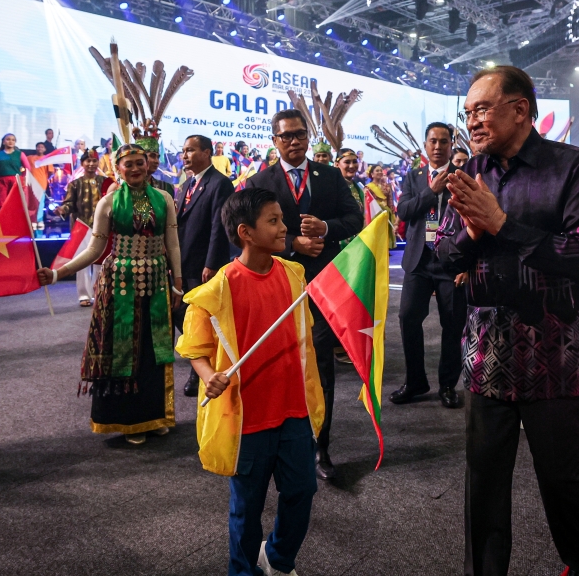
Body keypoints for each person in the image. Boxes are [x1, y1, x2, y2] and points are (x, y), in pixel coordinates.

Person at [440, 65, 579, 576]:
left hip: (556, 353)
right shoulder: (471, 172)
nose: (472, 121)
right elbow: (444, 257)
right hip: (487, 353)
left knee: (562, 478)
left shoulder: (573, 166)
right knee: (484, 480)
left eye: (482, 109)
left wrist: (503, 225)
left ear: (520, 109)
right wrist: (471, 235)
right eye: (467, 112)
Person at [176, 187, 324, 576]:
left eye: (281, 218)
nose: (283, 227)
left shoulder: (294, 274)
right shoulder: (216, 290)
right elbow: (194, 348)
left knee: (302, 491)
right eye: (273, 221)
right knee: (247, 508)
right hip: (248, 420)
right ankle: (243, 571)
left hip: (293, 410)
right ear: (245, 231)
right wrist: (209, 376)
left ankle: (276, 557)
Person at [37, 144, 182, 444]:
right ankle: (130, 421)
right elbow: (93, 250)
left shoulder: (162, 198)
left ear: (148, 164)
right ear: (117, 168)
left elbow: (173, 244)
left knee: (153, 351)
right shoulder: (109, 202)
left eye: (140, 162)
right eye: (128, 164)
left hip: (156, 284)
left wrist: (177, 283)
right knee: (125, 351)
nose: (135, 168)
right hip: (120, 286)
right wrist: (57, 274)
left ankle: (153, 416)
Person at [247, 110, 362, 481]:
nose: (293, 142)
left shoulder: (328, 175)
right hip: (277, 285)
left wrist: (327, 228)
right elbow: (249, 231)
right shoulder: (260, 181)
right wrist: (292, 243)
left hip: (324, 286)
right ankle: (276, 441)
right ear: (274, 140)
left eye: (299, 135)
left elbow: (354, 218)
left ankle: (320, 446)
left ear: (308, 137)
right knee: (277, 362)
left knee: (320, 364)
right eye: (286, 137)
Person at [391, 123, 466, 409]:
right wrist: (430, 191)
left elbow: (470, 218)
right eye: (433, 141)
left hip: (451, 261)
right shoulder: (414, 177)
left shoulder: (462, 176)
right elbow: (404, 211)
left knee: (453, 323)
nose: (438, 146)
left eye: (443, 141)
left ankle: (448, 384)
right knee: (408, 317)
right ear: (425, 145)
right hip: (418, 260)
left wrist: (467, 261)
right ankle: (415, 382)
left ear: (451, 145)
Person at [173, 135, 235, 397]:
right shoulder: (187, 183)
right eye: (184, 151)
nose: (185, 156)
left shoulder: (220, 183)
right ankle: (198, 359)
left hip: (204, 265)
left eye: (191, 150)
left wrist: (212, 262)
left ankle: (198, 370)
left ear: (207, 152)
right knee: (182, 315)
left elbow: (217, 227)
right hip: (184, 262)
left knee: (202, 317)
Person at [56, 152, 111, 307]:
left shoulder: (105, 182)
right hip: (82, 227)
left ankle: (98, 293)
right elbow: (69, 204)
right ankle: (84, 295)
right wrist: (62, 209)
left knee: (100, 262)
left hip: (102, 227)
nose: (91, 164)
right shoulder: (75, 184)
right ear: (82, 163)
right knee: (82, 263)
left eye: (94, 161)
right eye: (88, 161)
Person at [0, 133, 32, 209]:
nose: (11, 141)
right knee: (2, 204)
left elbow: (28, 168)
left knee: (15, 203)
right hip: (1, 181)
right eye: (8, 139)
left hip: (16, 181)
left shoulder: (20, 154)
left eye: (13, 140)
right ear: (4, 142)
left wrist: (22, 177)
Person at [365, 165, 397, 249]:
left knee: (385, 232)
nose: (379, 172)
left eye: (380, 170)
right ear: (372, 174)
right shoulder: (368, 187)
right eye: (377, 171)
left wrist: (392, 213)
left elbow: (390, 200)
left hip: (386, 212)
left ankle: (385, 248)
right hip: (375, 213)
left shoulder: (387, 186)